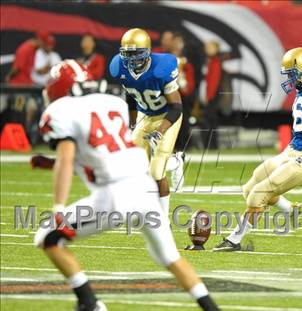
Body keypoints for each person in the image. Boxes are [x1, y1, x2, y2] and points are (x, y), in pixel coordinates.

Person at [34, 59, 220, 311]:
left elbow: (69, 159)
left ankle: (90, 303)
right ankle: (211, 307)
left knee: (48, 236)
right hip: (144, 189)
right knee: (170, 257)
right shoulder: (113, 103)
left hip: (113, 195)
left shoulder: (61, 111)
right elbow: (102, 153)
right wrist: (51, 162)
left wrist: (58, 206)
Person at [213, 47, 302, 252]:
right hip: (291, 151)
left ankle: (234, 240)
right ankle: (290, 210)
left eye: (292, 73)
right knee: (249, 187)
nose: (290, 79)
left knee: (258, 194)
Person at [109, 28, 185, 218]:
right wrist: (133, 123)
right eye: (128, 55)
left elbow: (176, 107)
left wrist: (159, 132)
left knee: (156, 171)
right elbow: (131, 96)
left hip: (167, 116)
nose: (131, 60)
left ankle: (163, 218)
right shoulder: (119, 67)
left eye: (136, 54)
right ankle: (174, 161)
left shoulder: (162, 68)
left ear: (147, 52)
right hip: (145, 115)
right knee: (133, 165)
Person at [199, 41, 223, 149]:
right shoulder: (208, 61)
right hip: (208, 96)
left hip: (211, 97)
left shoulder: (215, 62)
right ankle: (210, 144)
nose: (207, 49)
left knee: (210, 121)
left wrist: (209, 97)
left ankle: (211, 145)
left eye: (210, 47)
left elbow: (214, 81)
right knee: (210, 121)